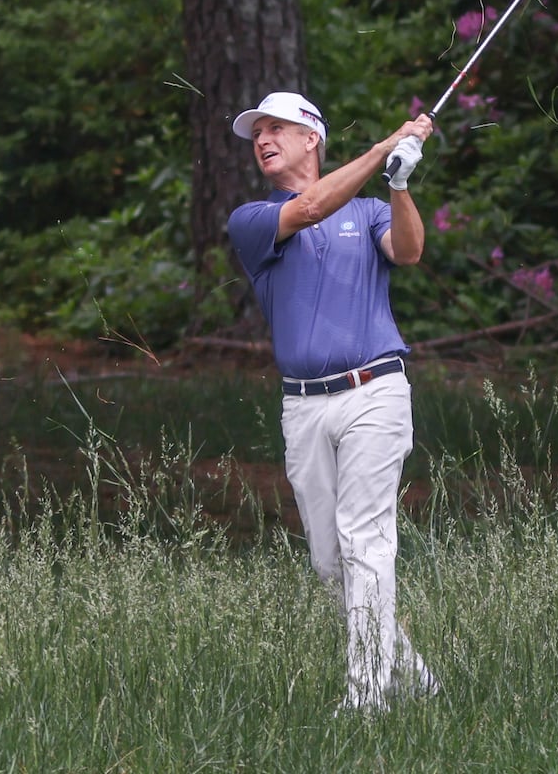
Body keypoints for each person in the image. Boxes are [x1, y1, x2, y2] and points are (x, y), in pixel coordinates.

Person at [226, 90, 438, 713]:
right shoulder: (252, 219)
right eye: (256, 133)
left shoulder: (369, 209)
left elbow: (409, 250)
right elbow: (313, 205)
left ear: (310, 137)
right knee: (329, 559)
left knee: (365, 540)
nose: (262, 139)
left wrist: (399, 185)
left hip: (375, 388)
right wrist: (382, 148)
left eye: (276, 129)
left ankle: (366, 697)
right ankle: (417, 681)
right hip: (304, 407)